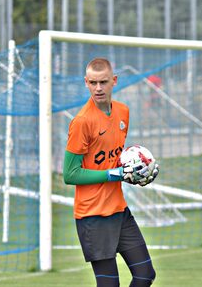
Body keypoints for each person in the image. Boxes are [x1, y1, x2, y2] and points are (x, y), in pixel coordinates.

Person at [63, 57, 159, 287]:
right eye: (93, 82)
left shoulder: (123, 113)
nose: (98, 88)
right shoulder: (82, 122)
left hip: (119, 210)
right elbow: (70, 174)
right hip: (93, 216)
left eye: (103, 82)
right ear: (86, 82)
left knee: (145, 274)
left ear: (113, 81)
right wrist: (113, 174)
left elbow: (116, 157)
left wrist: (138, 170)